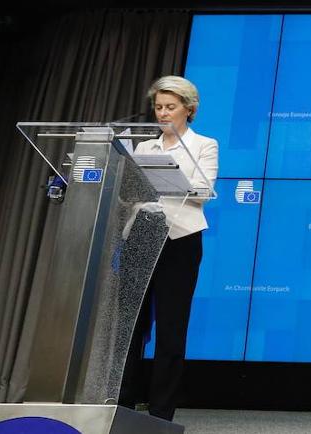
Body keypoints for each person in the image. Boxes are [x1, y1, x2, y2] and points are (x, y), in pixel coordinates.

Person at [119, 75, 218, 421]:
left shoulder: (204, 145)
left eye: (170, 107)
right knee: (129, 324)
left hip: (180, 239)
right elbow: (128, 193)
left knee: (171, 327)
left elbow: (204, 191)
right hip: (142, 232)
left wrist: (168, 178)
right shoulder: (145, 148)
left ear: (188, 109)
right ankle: (122, 402)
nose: (162, 113)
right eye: (158, 107)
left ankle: (161, 411)